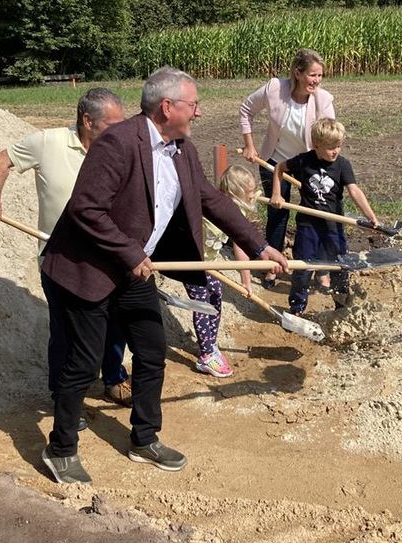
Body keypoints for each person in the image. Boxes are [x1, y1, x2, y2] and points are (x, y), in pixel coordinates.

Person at [38, 67, 288, 484]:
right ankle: (60, 448)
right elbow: (85, 208)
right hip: (88, 269)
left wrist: (260, 246)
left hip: (133, 272)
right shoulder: (118, 143)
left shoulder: (182, 149)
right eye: (194, 104)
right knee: (83, 364)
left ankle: (144, 439)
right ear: (167, 107)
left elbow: (211, 200)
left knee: (151, 353)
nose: (199, 112)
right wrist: (130, 252)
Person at [0, 89, 134, 416]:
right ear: (87, 121)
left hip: (107, 255)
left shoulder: (118, 149)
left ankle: (113, 377)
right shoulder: (48, 143)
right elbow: (4, 159)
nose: (120, 131)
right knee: (66, 331)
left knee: (115, 320)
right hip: (60, 259)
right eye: (112, 124)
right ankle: (62, 394)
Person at [239, 48, 335, 290]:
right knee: (277, 214)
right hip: (274, 162)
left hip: (307, 165)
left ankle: (319, 268)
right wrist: (249, 145)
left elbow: (331, 136)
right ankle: (272, 265)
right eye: (312, 75)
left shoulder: (323, 100)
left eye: (320, 75)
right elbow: (246, 109)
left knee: (315, 214)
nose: (317, 80)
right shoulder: (275, 89)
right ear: (297, 73)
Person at [271, 118, 379, 316]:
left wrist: (371, 216)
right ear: (316, 145)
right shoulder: (304, 161)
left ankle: (341, 306)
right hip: (308, 225)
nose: (335, 151)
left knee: (340, 265)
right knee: (303, 267)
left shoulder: (342, 165)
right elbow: (279, 168)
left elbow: (354, 191)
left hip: (333, 225)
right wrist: (276, 194)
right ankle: (297, 308)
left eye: (338, 146)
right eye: (330, 147)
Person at [184, 164, 259, 378]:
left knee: (216, 296)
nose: (254, 195)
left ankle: (211, 343)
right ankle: (206, 356)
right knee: (202, 304)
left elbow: (241, 245)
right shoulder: (209, 211)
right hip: (192, 262)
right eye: (250, 191)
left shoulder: (237, 212)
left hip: (211, 264)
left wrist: (246, 282)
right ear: (236, 193)